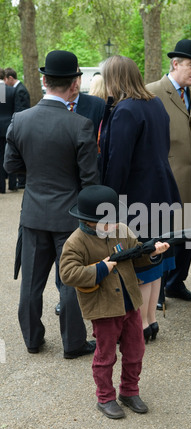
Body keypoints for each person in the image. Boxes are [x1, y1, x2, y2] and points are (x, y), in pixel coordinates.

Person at [4, 50, 99, 357]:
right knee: (70, 281)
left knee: (30, 282)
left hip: (33, 212)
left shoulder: (20, 119)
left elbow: (10, 165)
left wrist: (37, 172)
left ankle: (32, 339)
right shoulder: (80, 125)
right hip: (69, 216)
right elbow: (90, 181)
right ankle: (73, 343)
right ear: (75, 84)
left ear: (44, 81)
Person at [59, 185, 170, 419]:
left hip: (130, 302)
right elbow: (67, 273)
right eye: (105, 222)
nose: (112, 225)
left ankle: (129, 391)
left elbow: (137, 258)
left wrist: (152, 253)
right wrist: (100, 269)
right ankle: (105, 397)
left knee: (135, 350)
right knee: (105, 355)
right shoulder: (76, 242)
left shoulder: (122, 231)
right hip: (104, 308)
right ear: (88, 221)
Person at [99, 55, 181, 342]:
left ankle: (142, 325)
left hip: (137, 197)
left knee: (140, 261)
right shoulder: (155, 103)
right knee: (154, 256)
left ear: (114, 78)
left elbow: (117, 161)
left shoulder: (125, 110)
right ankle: (151, 319)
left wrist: (107, 202)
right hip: (162, 190)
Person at [146, 39, 191, 306]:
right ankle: (158, 290)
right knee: (166, 236)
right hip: (168, 177)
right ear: (175, 64)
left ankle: (177, 283)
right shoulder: (152, 92)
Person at [54, 67, 105, 316]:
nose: (74, 83)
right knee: (64, 251)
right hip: (59, 190)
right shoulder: (50, 107)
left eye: (77, 79)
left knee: (90, 246)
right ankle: (65, 299)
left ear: (79, 81)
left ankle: (91, 293)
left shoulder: (96, 105)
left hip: (88, 189)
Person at [4, 67, 31, 189]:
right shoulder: (16, 90)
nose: (5, 82)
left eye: (6, 79)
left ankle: (21, 181)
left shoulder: (19, 90)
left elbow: (21, 109)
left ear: (10, 78)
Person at [66, 68, 105, 141]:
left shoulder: (98, 105)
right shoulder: (51, 107)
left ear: (80, 79)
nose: (75, 82)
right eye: (70, 77)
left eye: (77, 77)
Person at [0, 68, 17, 193]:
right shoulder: (11, 90)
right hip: (9, 126)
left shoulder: (2, 90)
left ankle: (1, 186)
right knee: (11, 154)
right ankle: (12, 183)